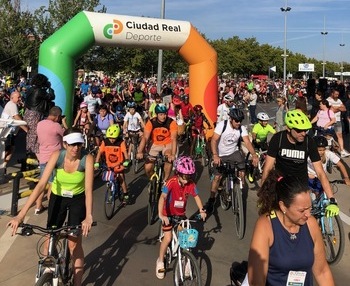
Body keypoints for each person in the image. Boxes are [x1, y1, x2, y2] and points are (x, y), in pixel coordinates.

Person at [7, 128, 94, 286]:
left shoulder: (86, 159)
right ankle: (49, 272)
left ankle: (77, 283)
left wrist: (89, 216)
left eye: (79, 144)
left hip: (77, 199)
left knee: (74, 243)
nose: (76, 148)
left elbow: (88, 190)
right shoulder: (57, 156)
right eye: (73, 144)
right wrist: (20, 215)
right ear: (65, 144)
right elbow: (41, 185)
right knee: (50, 235)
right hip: (58, 197)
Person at [247, 170, 335, 286]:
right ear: (283, 206)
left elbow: (322, 271)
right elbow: (257, 280)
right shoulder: (266, 225)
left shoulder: (311, 224)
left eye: (309, 208)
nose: (308, 214)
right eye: (302, 210)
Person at [261, 109, 339, 217]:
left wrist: (332, 199)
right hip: (282, 185)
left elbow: (320, 172)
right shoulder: (278, 139)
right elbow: (268, 168)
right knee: (275, 218)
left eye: (305, 130)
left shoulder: (308, 142)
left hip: (300, 186)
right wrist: (264, 193)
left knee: (304, 218)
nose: (303, 133)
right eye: (299, 130)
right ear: (288, 128)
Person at [156, 156, 207, 279]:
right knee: (167, 238)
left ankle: (187, 263)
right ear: (178, 173)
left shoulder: (190, 184)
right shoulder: (171, 182)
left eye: (189, 177)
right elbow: (162, 197)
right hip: (167, 214)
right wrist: (161, 214)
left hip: (180, 215)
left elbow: (196, 197)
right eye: (184, 177)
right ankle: (160, 261)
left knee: (186, 239)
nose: (186, 181)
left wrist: (201, 210)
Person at [204, 108, 258, 214]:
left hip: (234, 152)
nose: (238, 123)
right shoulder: (222, 125)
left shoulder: (241, 128)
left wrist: (254, 155)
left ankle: (238, 187)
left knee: (243, 168)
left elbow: (247, 142)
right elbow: (214, 140)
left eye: (240, 121)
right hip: (221, 154)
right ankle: (211, 200)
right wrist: (215, 155)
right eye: (236, 121)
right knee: (217, 177)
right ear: (231, 119)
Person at [35, 106, 68, 215]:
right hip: (55, 158)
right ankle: (53, 206)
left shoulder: (40, 124)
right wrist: (64, 123)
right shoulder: (56, 126)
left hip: (43, 157)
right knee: (53, 183)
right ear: (58, 116)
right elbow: (68, 135)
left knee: (42, 183)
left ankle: (38, 205)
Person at [137, 103, 177, 181]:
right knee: (148, 168)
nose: (163, 116)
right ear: (157, 114)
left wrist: (172, 154)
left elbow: (174, 139)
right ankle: (152, 180)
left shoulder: (171, 122)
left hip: (167, 144)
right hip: (155, 144)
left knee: (168, 160)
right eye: (161, 114)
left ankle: (165, 181)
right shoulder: (151, 122)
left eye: (165, 114)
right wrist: (140, 151)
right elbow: (145, 137)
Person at [94, 124, 130, 203]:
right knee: (109, 180)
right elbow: (100, 152)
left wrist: (127, 160)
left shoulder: (121, 142)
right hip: (109, 165)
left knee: (121, 179)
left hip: (119, 165)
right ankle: (111, 193)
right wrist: (96, 162)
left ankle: (125, 194)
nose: (112, 140)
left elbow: (124, 152)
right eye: (110, 138)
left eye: (114, 138)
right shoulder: (105, 142)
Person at [23, 73, 55, 156]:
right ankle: (33, 153)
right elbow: (51, 97)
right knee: (35, 134)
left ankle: (30, 152)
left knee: (31, 134)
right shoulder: (39, 91)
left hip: (28, 112)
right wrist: (50, 88)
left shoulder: (31, 89)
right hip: (35, 114)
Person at [0, 90, 28, 169]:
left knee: (11, 149)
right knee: (5, 150)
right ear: (12, 98)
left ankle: (3, 167)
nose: (20, 99)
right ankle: (2, 167)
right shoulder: (12, 105)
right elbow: (16, 117)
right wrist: (26, 129)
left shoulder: (13, 105)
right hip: (5, 132)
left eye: (20, 97)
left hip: (9, 132)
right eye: (18, 97)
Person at [326, 88, 350, 157]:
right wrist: (339, 107)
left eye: (338, 94)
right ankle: (328, 152)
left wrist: (336, 108)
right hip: (330, 120)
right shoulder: (328, 100)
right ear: (332, 94)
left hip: (338, 120)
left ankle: (342, 151)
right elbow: (331, 110)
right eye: (336, 94)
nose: (337, 96)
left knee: (340, 135)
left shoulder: (339, 100)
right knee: (329, 136)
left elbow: (344, 108)